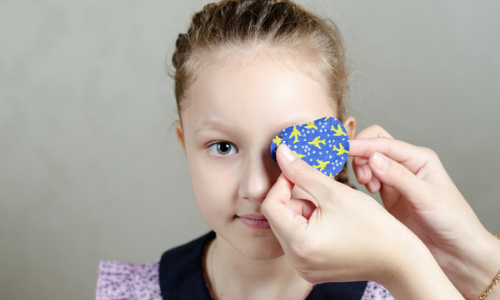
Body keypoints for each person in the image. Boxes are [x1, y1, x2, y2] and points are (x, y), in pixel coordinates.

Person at [95, 0, 500, 299]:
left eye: (287, 149)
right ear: (186, 146)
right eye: (223, 146)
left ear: (339, 147)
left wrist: (408, 263)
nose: (256, 187)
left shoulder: (408, 289)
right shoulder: (128, 292)